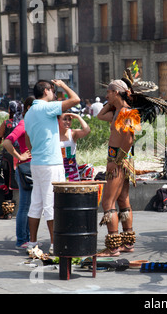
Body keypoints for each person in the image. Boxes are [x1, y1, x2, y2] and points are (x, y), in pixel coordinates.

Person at [24, 79, 80, 255]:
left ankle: (32, 242)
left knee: (36, 203)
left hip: (37, 162)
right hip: (51, 163)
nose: (55, 94)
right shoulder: (46, 107)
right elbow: (75, 99)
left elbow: (27, 139)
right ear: (46, 91)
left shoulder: (29, 112)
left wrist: (36, 151)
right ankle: (56, 244)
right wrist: (64, 86)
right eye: (53, 90)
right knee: (52, 204)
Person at [96, 79, 140, 257]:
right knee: (123, 200)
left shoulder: (127, 112)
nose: (106, 96)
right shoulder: (119, 112)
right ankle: (127, 243)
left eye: (108, 92)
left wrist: (115, 161)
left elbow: (129, 140)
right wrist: (113, 101)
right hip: (121, 159)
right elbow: (100, 115)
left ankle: (113, 246)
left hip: (119, 160)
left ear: (116, 92)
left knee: (108, 202)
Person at [3, 97, 34, 248]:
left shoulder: (33, 123)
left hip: (33, 168)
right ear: (28, 108)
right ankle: (22, 239)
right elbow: (6, 141)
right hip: (25, 168)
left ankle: (27, 238)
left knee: (30, 205)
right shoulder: (24, 123)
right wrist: (20, 156)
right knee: (25, 205)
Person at [0, 101, 23, 219]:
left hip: (8, 156)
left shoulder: (6, 123)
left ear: (10, 110)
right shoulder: (23, 123)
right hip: (22, 155)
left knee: (7, 182)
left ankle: (8, 212)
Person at [58, 112, 91, 182]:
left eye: (69, 120)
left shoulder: (73, 133)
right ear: (58, 120)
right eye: (64, 119)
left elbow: (87, 130)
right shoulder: (53, 134)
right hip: (57, 171)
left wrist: (78, 117)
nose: (67, 122)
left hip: (72, 173)